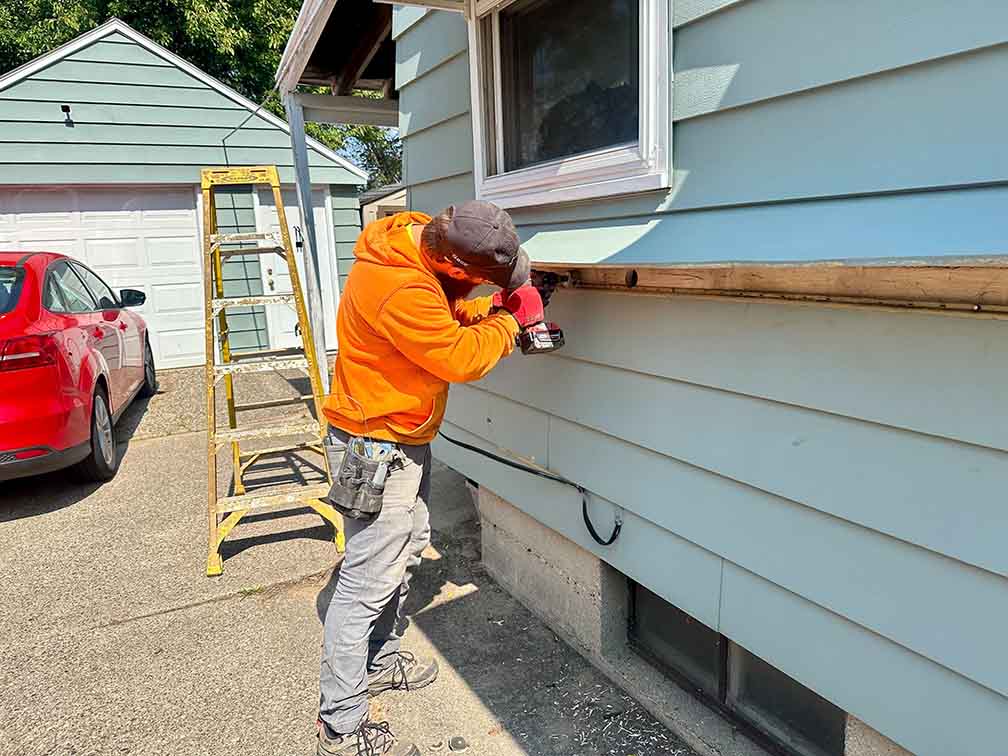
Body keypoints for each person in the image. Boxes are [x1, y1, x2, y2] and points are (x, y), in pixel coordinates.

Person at [316, 201, 554, 756]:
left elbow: (447, 315)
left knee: (406, 548)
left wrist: (495, 304)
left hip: (402, 436)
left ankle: (379, 660)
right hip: (378, 446)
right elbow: (457, 356)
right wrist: (510, 321)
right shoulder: (401, 287)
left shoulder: (420, 242)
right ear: (454, 265)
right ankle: (341, 722)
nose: (484, 287)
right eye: (484, 279)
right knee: (366, 581)